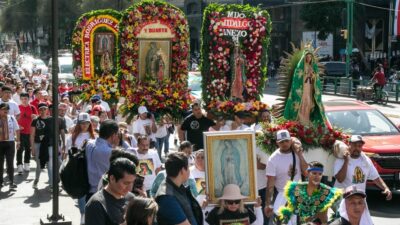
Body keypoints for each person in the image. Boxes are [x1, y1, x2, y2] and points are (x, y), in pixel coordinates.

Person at [277, 161, 342, 225]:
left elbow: (337, 217)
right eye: (314, 173)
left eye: (320, 174)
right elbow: (288, 211)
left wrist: (324, 220)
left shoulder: (329, 193)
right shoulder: (296, 188)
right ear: (308, 173)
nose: (317, 177)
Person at [264, 130, 308, 220]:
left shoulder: (297, 153)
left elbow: (306, 172)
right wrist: (268, 204)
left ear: (290, 141)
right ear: (277, 143)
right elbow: (270, 184)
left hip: (298, 194)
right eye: (282, 142)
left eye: (287, 141)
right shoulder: (273, 159)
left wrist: (300, 154)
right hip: (281, 195)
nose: (285, 144)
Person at [334, 135, 392, 200]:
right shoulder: (341, 158)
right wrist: (346, 161)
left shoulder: (366, 160)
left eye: (359, 146)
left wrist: (386, 188)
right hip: (342, 200)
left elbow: (376, 177)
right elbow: (340, 179)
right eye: (354, 145)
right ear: (349, 144)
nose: (357, 148)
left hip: (359, 200)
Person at [155, 152, 203, 225]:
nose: (189, 170)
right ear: (183, 170)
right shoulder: (167, 197)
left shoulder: (177, 187)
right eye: (188, 167)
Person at [85, 158, 136, 225]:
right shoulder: (96, 204)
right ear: (112, 179)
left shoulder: (131, 198)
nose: (130, 188)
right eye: (126, 183)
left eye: (132, 182)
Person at [66, 112, 96, 224]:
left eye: (87, 123)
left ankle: (90, 214)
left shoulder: (94, 137)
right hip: (79, 169)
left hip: (92, 168)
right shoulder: (72, 137)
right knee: (81, 192)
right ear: (78, 124)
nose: (84, 125)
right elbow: (68, 154)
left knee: (92, 191)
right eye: (82, 123)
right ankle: (83, 214)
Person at [283, 51, 325, 126]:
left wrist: (313, 75)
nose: (309, 58)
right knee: (302, 103)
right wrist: (306, 74)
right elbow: (297, 78)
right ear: (305, 57)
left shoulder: (312, 66)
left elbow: (316, 79)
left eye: (310, 57)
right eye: (307, 57)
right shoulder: (300, 67)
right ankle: (301, 121)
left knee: (309, 103)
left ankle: (306, 120)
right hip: (302, 88)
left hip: (310, 87)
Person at [30, 102, 66, 190]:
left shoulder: (53, 120)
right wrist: (32, 148)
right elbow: (32, 135)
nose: (42, 111)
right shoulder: (35, 121)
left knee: (50, 164)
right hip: (38, 144)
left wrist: (62, 145)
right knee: (39, 165)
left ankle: (51, 184)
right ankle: (36, 179)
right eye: (41, 109)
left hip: (50, 145)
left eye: (44, 109)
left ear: (47, 110)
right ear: (38, 110)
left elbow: (58, 134)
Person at [86, 120, 120, 201]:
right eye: (117, 134)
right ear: (113, 135)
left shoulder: (88, 144)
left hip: (88, 190)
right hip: (103, 193)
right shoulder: (110, 152)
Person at [0, 103, 20, 189]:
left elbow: (17, 129)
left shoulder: (11, 118)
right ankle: (0, 182)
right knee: (0, 164)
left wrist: (18, 141)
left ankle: (11, 182)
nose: (5, 111)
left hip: (10, 143)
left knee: (10, 163)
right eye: (3, 109)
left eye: (7, 109)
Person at [17, 92, 37, 174]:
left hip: (30, 132)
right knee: (20, 149)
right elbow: (14, 119)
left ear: (28, 99)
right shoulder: (18, 107)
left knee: (28, 149)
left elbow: (37, 117)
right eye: (22, 99)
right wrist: (18, 126)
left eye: (25, 99)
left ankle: (27, 163)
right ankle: (19, 165)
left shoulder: (32, 107)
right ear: (20, 99)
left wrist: (35, 116)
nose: (24, 100)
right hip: (20, 132)